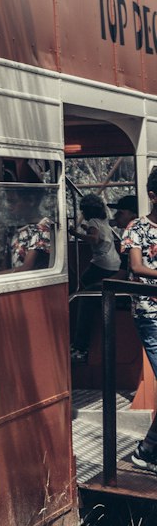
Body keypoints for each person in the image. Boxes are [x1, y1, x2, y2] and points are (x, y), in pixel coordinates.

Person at [120, 168, 157, 475]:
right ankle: (146, 451)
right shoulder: (137, 228)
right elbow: (136, 266)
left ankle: (147, 451)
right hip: (150, 313)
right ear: (152, 196)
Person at [71, 194, 121, 360]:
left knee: (81, 285)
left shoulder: (93, 223)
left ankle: (79, 342)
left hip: (101, 263)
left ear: (85, 211)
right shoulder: (103, 222)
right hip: (114, 263)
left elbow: (95, 239)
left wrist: (75, 234)